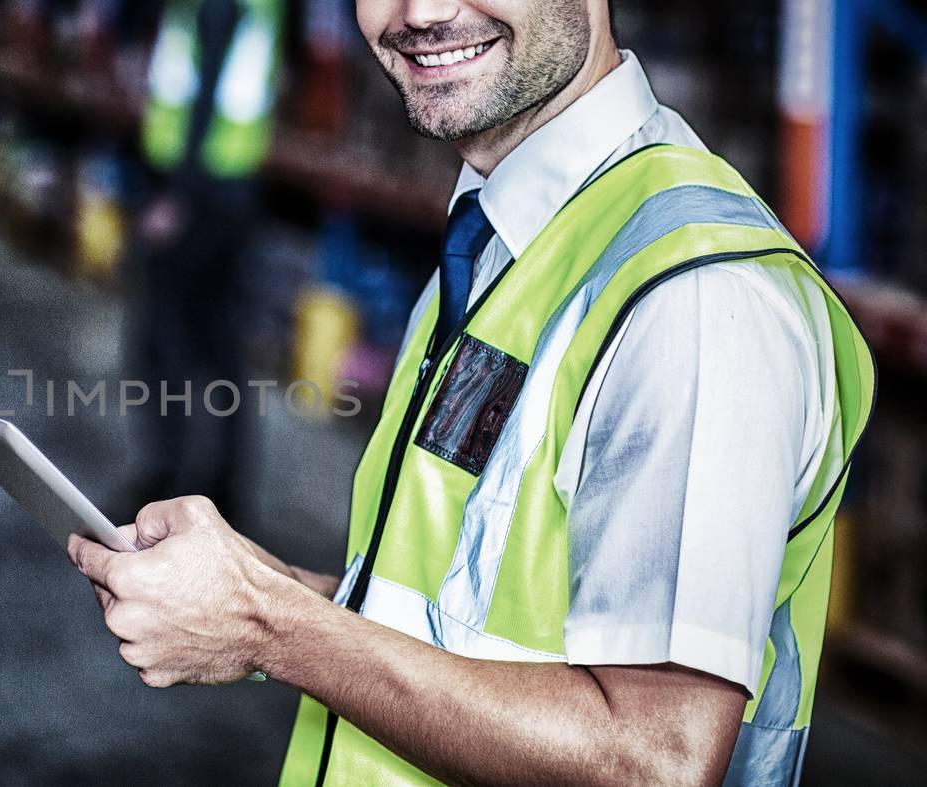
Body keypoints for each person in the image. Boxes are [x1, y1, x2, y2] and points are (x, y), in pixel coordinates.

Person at [67, 1, 874, 784]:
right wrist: (264, 588)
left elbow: (654, 758)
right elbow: (475, 612)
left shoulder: (691, 296)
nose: (418, 12)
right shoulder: (503, 233)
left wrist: (271, 626)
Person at [123, 0, 281, 521]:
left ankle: (168, 479)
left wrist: (177, 198)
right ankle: (224, 489)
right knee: (219, 348)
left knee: (165, 345)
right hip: (229, 193)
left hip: (201, 199)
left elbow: (207, 93)